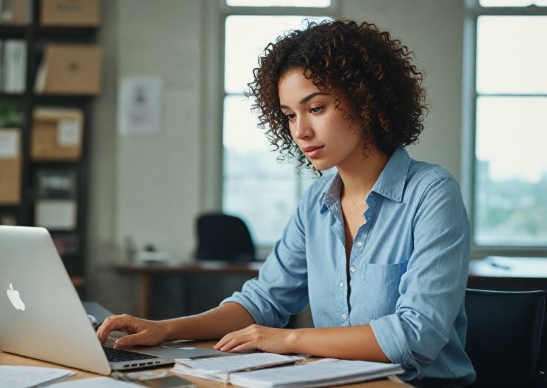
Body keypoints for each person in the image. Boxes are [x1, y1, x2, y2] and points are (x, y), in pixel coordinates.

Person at [98, 19, 475, 387]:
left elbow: (415, 335)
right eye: (289, 115)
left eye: (316, 108)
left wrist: (288, 339)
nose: (300, 131)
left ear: (365, 100)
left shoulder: (431, 193)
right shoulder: (316, 202)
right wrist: (165, 329)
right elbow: (263, 301)